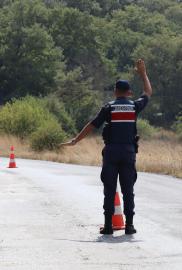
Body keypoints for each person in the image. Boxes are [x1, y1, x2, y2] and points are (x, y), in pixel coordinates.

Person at [60, 59, 152, 235]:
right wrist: (143, 74)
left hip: (111, 152)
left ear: (115, 92)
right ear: (129, 93)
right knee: (128, 190)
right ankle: (130, 225)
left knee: (110, 189)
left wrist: (75, 141)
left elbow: (91, 125)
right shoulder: (135, 106)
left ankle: (109, 226)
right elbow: (148, 91)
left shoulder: (108, 108)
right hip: (128, 152)